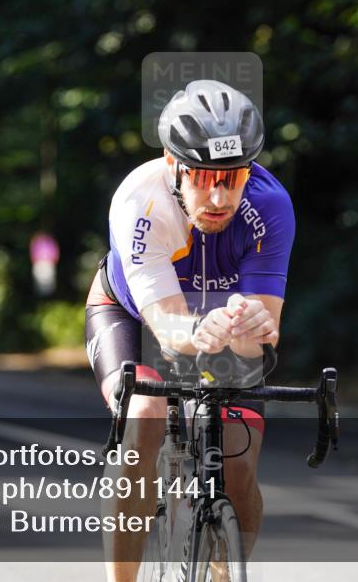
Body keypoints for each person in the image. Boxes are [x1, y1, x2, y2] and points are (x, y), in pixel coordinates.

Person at [84, 79, 295, 581]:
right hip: (135, 316)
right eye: (202, 177)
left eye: (233, 177)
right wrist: (202, 329)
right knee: (146, 413)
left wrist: (250, 327)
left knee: (238, 466)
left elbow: (259, 339)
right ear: (172, 163)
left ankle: (222, 572)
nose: (219, 196)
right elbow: (167, 326)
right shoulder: (141, 201)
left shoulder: (270, 206)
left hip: (216, 323)